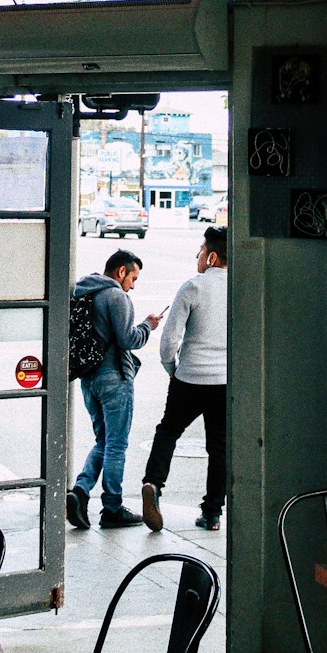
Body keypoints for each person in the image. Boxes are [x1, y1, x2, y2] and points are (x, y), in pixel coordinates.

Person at [67, 248, 164, 529]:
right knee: (117, 444)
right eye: (133, 277)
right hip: (115, 378)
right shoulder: (115, 296)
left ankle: (81, 490)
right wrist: (147, 325)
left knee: (103, 440)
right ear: (121, 272)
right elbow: (128, 339)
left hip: (89, 379)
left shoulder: (83, 291)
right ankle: (112, 506)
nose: (133, 284)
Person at [141, 226, 228, 533]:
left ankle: (153, 483)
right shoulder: (241, 287)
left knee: (168, 431)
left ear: (213, 257)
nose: (198, 256)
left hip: (189, 377)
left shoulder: (193, 287)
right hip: (224, 382)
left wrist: (171, 368)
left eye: (201, 251)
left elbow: (169, 340)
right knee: (219, 446)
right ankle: (213, 513)